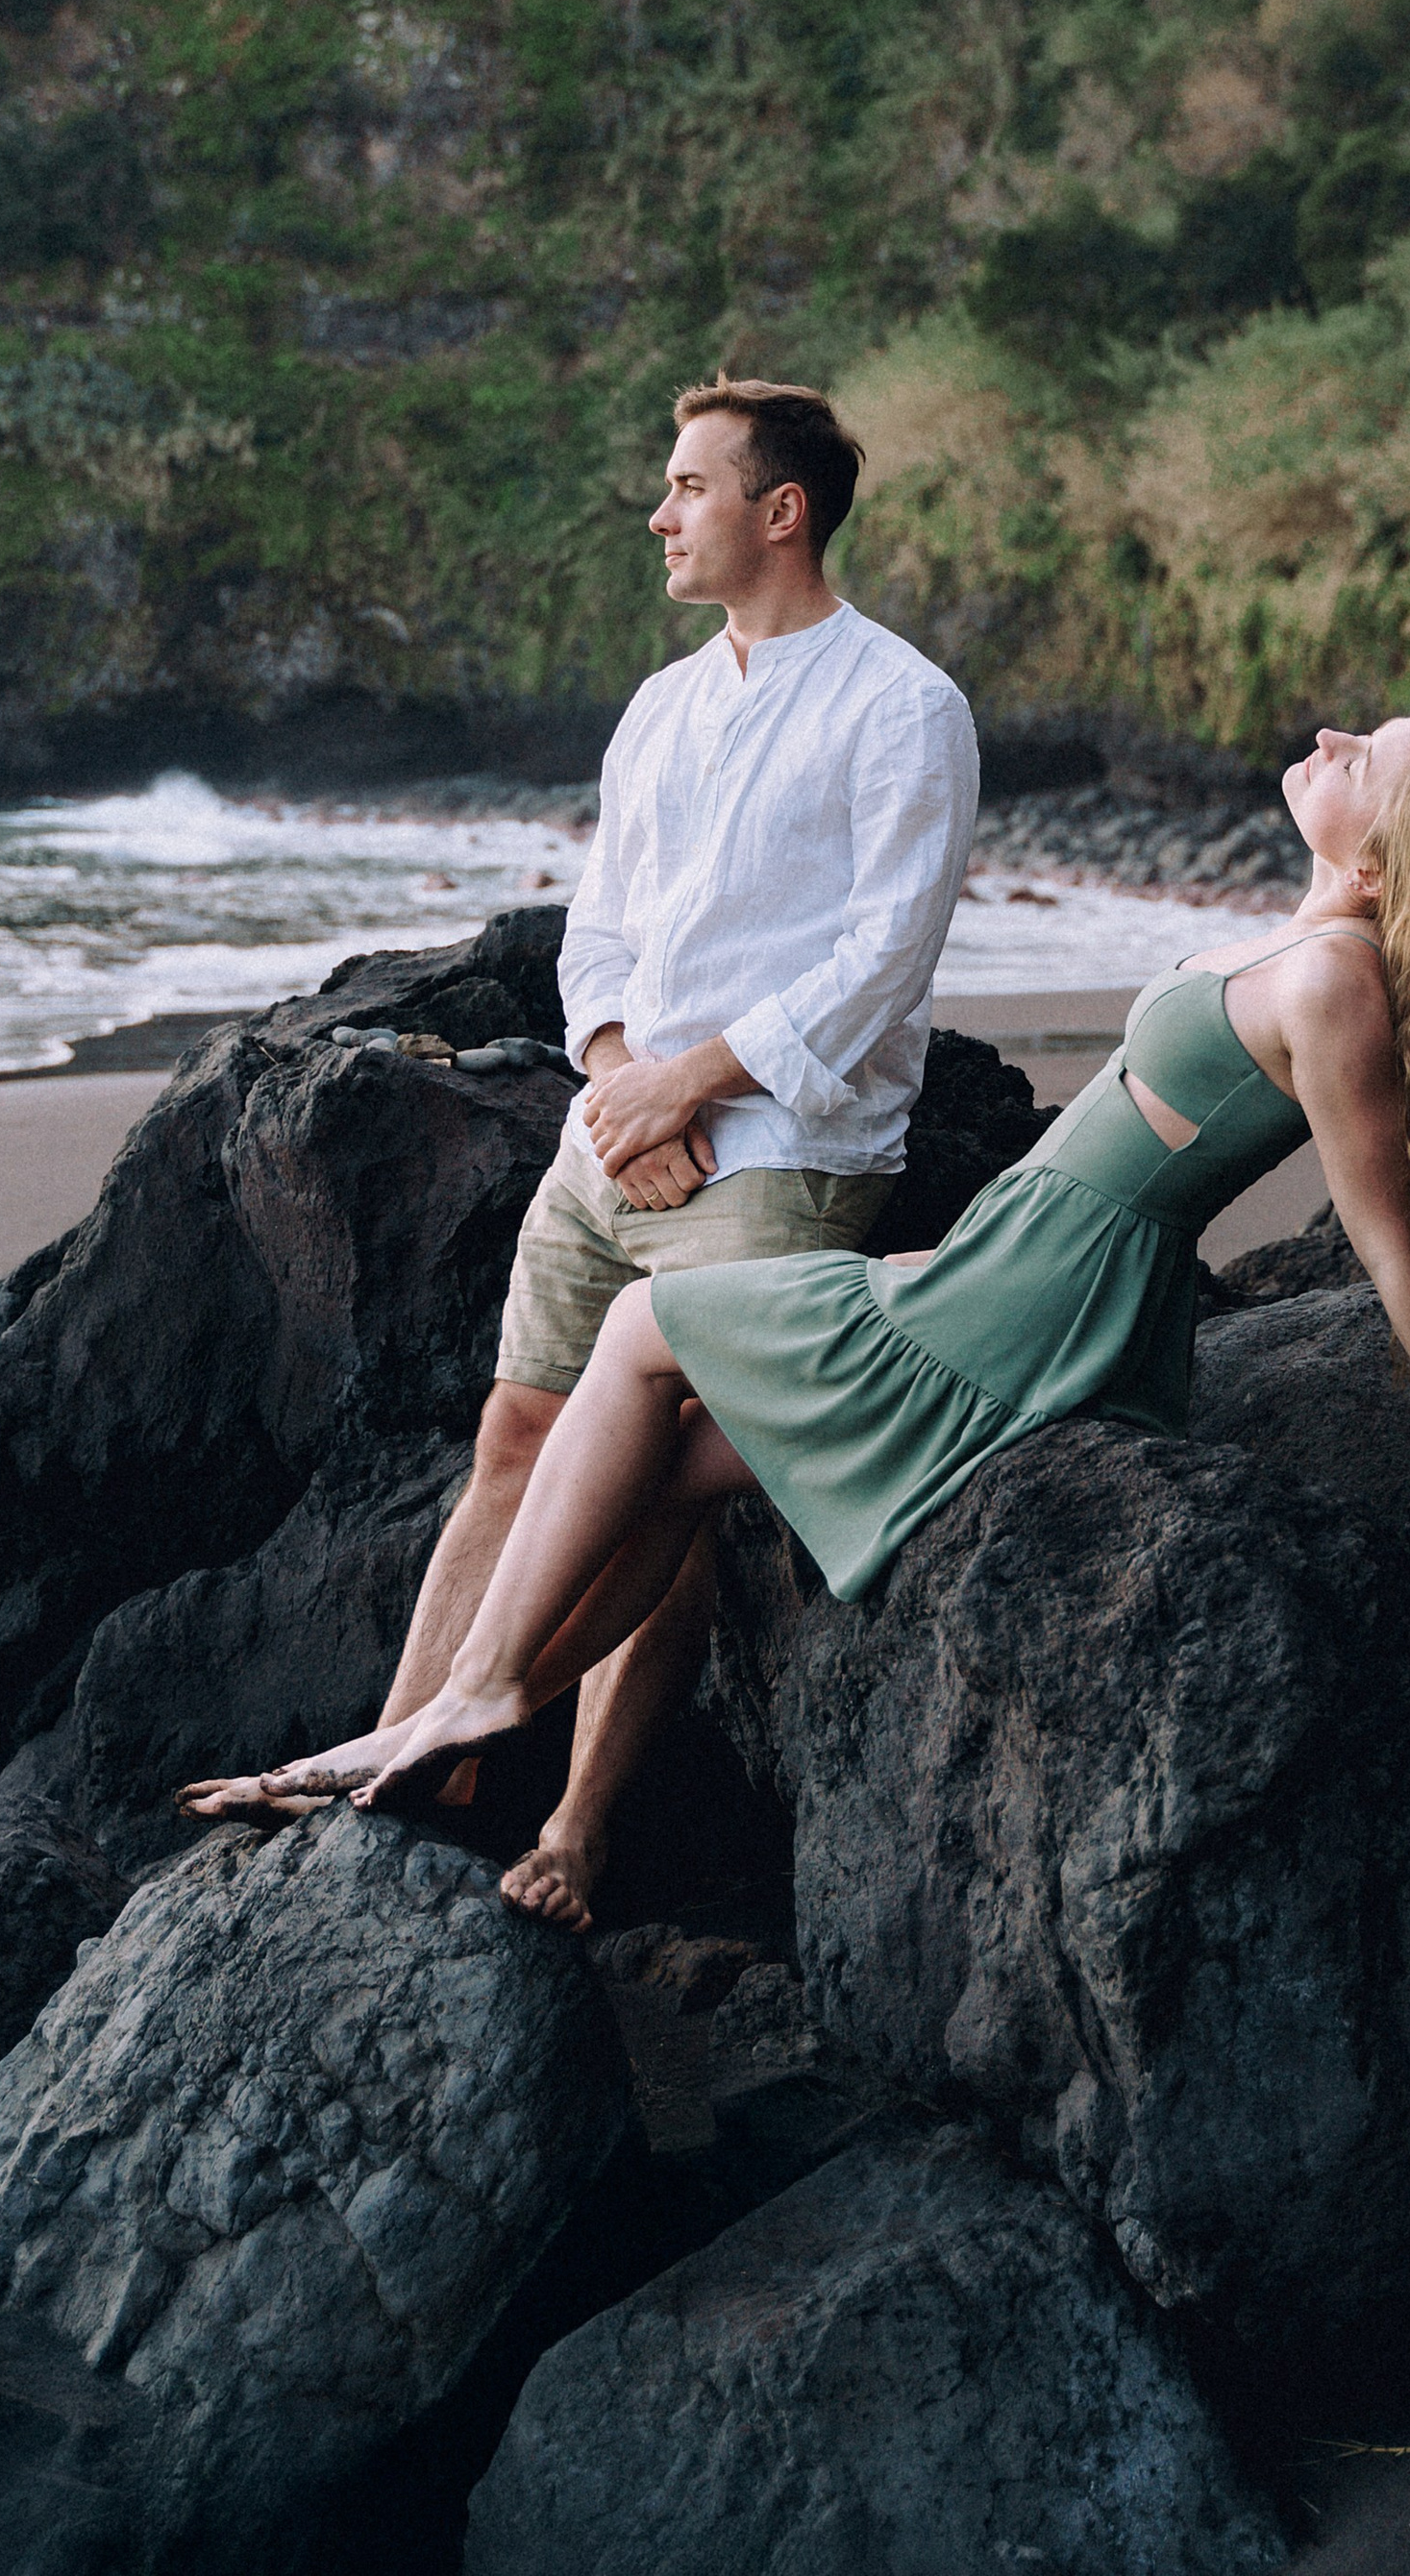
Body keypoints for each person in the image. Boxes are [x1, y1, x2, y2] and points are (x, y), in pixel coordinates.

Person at [228, 703, 1410, 1846]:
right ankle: (450, 1729)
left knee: (645, 1323)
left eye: (1371, 758)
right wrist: (956, 1256)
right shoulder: (1308, 948)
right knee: (670, 1468)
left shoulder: (1337, 982)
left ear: (1385, 864)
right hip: (1008, 1261)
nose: (1335, 737)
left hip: (1043, 1298)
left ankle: (475, 1695)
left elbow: (1387, 1241)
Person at [179, 373, 978, 1919]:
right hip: (614, 1136)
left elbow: (887, 955)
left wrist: (695, 1088)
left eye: (689, 487)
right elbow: (599, 927)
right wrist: (618, 1081)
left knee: (665, 1482)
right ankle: (404, 1758)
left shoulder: (902, 705)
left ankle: (580, 1827)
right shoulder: (665, 704)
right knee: (518, 1438)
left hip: (784, 1144)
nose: (660, 515)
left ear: (781, 511)